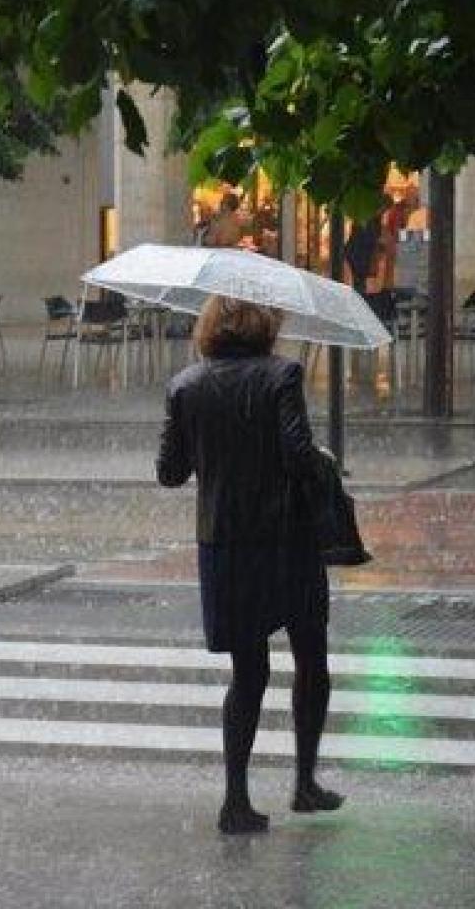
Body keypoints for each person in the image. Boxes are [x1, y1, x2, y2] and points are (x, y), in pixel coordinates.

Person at [156, 296, 342, 834]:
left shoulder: (185, 386)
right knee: (311, 657)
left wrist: (205, 444)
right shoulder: (282, 374)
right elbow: (296, 454)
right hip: (286, 539)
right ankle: (304, 782)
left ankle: (235, 799)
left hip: (226, 544)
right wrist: (319, 462)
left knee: (249, 673)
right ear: (266, 326)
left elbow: (169, 473)